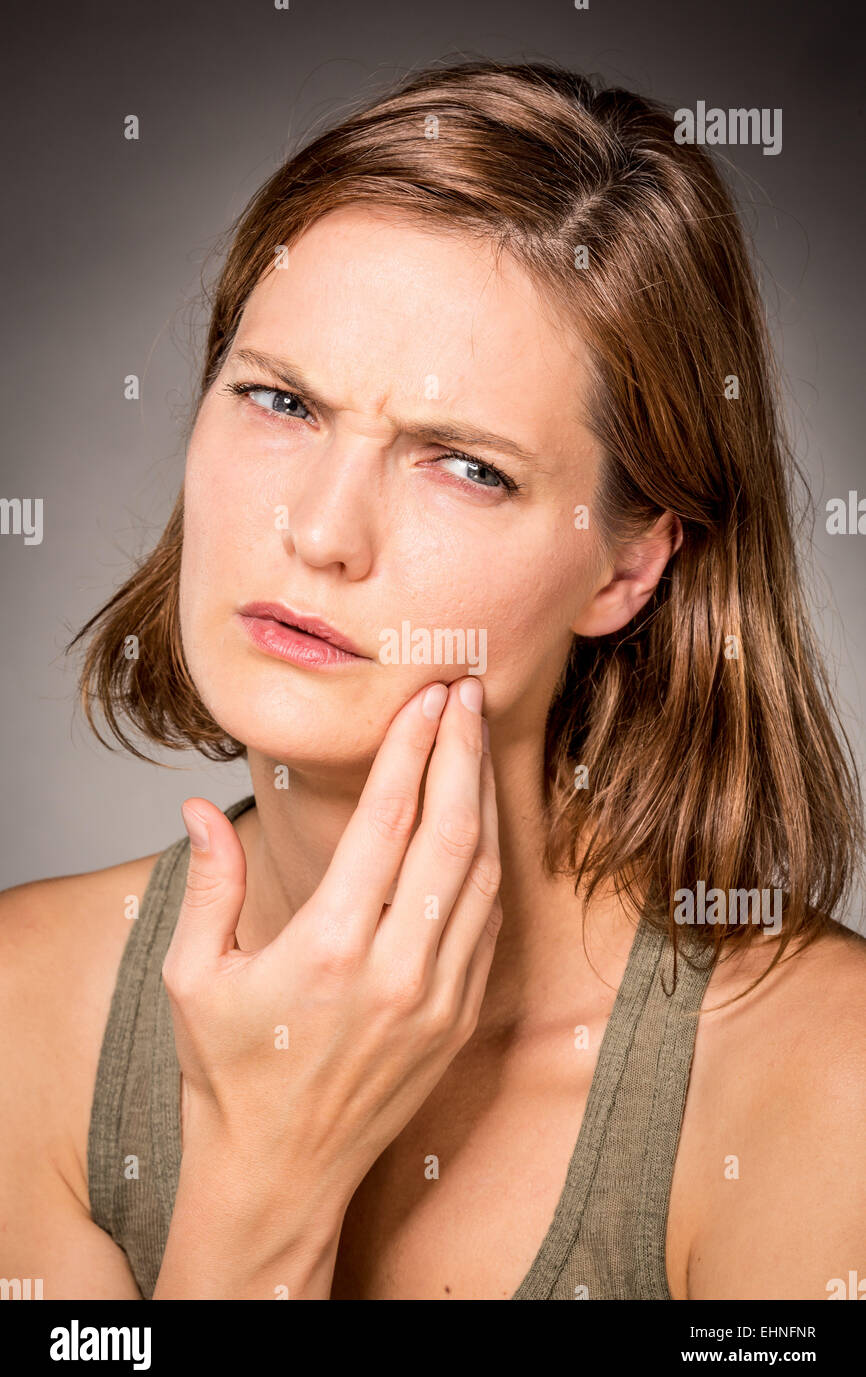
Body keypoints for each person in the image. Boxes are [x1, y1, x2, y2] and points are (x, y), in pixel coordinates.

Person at [1, 59, 864, 1302]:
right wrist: (262, 1179)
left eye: (464, 466)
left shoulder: (818, 1082)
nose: (318, 531)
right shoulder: (21, 1005)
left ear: (628, 566)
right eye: (279, 400)